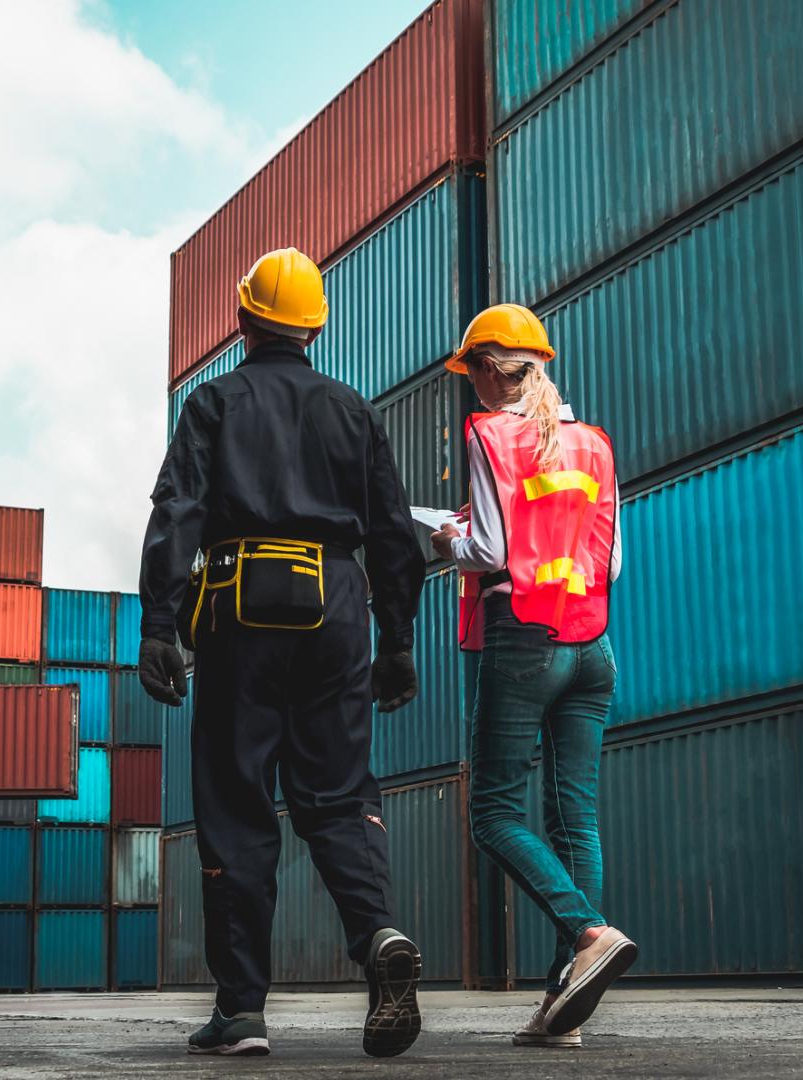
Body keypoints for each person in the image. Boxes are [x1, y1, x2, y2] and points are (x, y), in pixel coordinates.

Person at [137, 247, 429, 1059]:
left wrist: (159, 625)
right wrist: (398, 642)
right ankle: (377, 938)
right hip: (339, 608)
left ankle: (242, 1011)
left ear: (243, 318)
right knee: (337, 796)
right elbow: (394, 539)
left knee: (236, 802)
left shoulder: (213, 403)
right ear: (314, 330)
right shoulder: (353, 410)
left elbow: (178, 513)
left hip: (242, 605)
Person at [431, 303, 637, 1048]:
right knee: (574, 818)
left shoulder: (491, 434)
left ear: (488, 368)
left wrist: (446, 535)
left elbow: (487, 551)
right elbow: (610, 563)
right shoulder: (594, 444)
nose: (471, 387)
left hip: (524, 641)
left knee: (493, 812)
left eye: (470, 372)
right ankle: (563, 1007)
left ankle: (588, 933)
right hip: (593, 646)